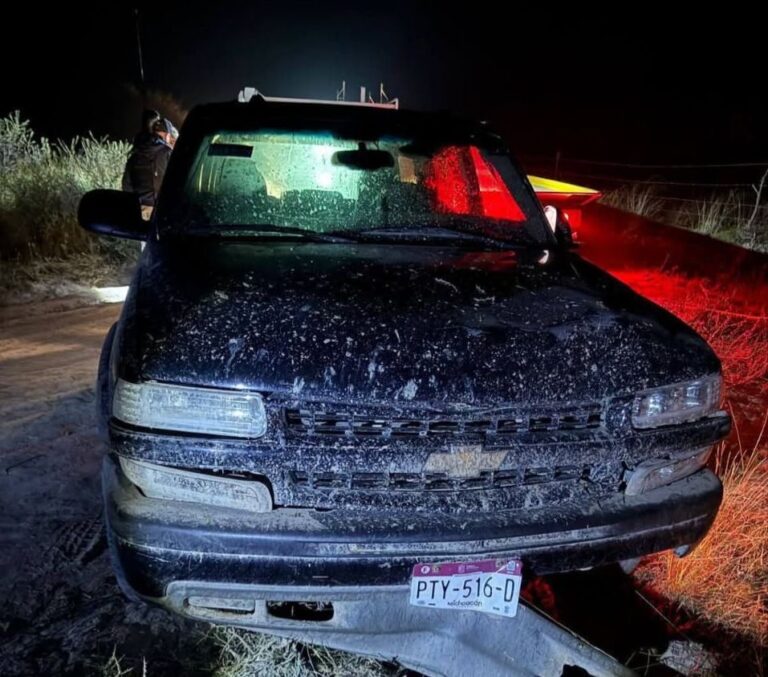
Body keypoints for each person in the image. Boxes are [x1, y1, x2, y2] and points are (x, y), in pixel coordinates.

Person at [122, 115, 179, 220]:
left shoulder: (135, 154)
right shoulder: (167, 153)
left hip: (137, 210)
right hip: (158, 210)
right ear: (167, 135)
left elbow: (126, 184)